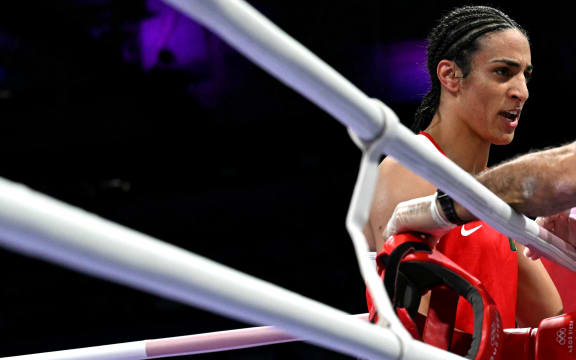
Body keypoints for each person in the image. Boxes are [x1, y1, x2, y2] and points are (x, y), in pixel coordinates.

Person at [364, 5, 563, 334]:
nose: (521, 92)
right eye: (503, 72)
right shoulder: (409, 170)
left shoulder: (492, 201)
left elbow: (554, 328)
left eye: (525, 75)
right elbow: (408, 334)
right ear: (450, 76)